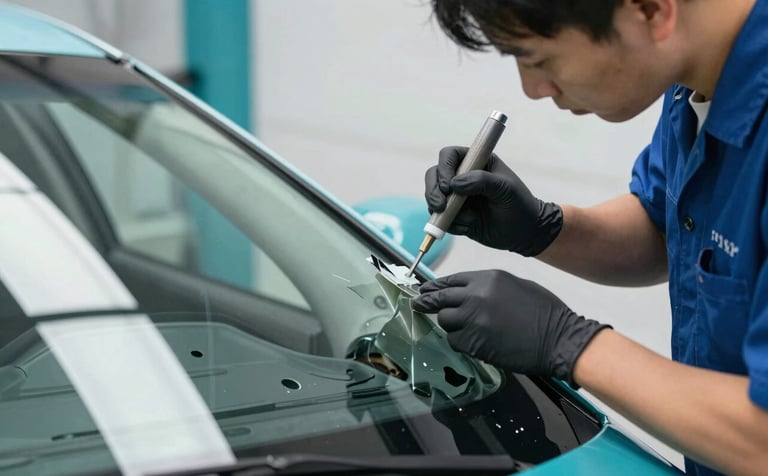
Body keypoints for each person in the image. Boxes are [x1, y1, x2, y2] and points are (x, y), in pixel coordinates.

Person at [409, 1, 768, 475]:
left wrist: (570, 343)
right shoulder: (695, 78)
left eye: (540, 59)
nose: (533, 89)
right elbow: (670, 227)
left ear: (649, 10)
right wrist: (543, 226)